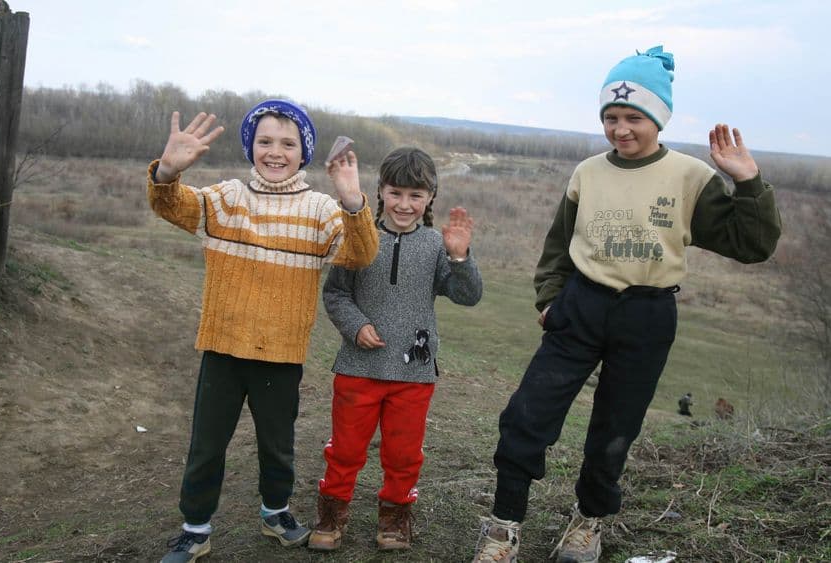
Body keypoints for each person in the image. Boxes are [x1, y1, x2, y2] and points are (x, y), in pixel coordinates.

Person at [472, 46, 781, 563]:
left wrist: (747, 182)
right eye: (611, 118)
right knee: (526, 415)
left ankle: (587, 523)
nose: (621, 129)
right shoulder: (587, 173)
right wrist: (551, 300)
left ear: (658, 117)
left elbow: (753, 244)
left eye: (633, 117)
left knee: (615, 430)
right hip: (582, 306)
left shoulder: (689, 177)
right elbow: (558, 245)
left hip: (647, 314)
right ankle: (503, 528)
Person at [146, 99, 379, 563]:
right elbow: (172, 205)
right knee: (207, 444)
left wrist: (352, 202)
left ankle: (276, 512)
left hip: (281, 353)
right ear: (251, 146)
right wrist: (166, 173)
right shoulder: (227, 198)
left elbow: (360, 254)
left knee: (278, 444)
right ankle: (196, 529)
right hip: (223, 348)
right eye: (265, 141)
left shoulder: (321, 210)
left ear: (304, 152)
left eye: (288, 143)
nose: (276, 152)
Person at [306, 147, 483, 552]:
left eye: (415, 196)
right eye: (396, 193)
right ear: (380, 191)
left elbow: (468, 296)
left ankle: (395, 519)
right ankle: (332, 515)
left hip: (413, 373)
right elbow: (335, 294)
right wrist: (357, 326)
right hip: (358, 367)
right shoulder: (359, 237)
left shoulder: (437, 245)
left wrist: (459, 256)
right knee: (345, 448)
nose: (405, 204)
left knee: (404, 454)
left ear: (430, 198)